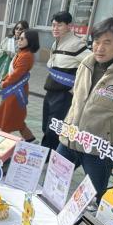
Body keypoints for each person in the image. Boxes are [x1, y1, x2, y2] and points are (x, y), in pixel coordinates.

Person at [57, 18, 113, 201]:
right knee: (53, 185)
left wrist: (107, 133)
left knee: (92, 199)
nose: (99, 48)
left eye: (107, 42)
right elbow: (77, 99)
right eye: (97, 41)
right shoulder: (86, 64)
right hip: (69, 139)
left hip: (99, 150)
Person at [42, 11, 91, 150]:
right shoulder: (56, 42)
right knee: (46, 125)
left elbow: (92, 64)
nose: (55, 28)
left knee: (53, 129)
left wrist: (76, 88)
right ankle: (46, 153)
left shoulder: (77, 44)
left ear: (69, 26)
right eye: (53, 25)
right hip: (50, 91)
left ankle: (50, 155)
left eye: (59, 25)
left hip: (63, 95)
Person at [0, 29, 39, 141]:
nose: (19, 40)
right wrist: (5, 80)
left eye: (22, 39)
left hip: (17, 90)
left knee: (9, 116)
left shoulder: (26, 55)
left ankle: (2, 140)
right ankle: (30, 139)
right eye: (19, 38)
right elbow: (13, 72)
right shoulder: (22, 52)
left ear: (30, 40)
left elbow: (17, 73)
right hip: (14, 88)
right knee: (15, 117)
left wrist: (5, 83)